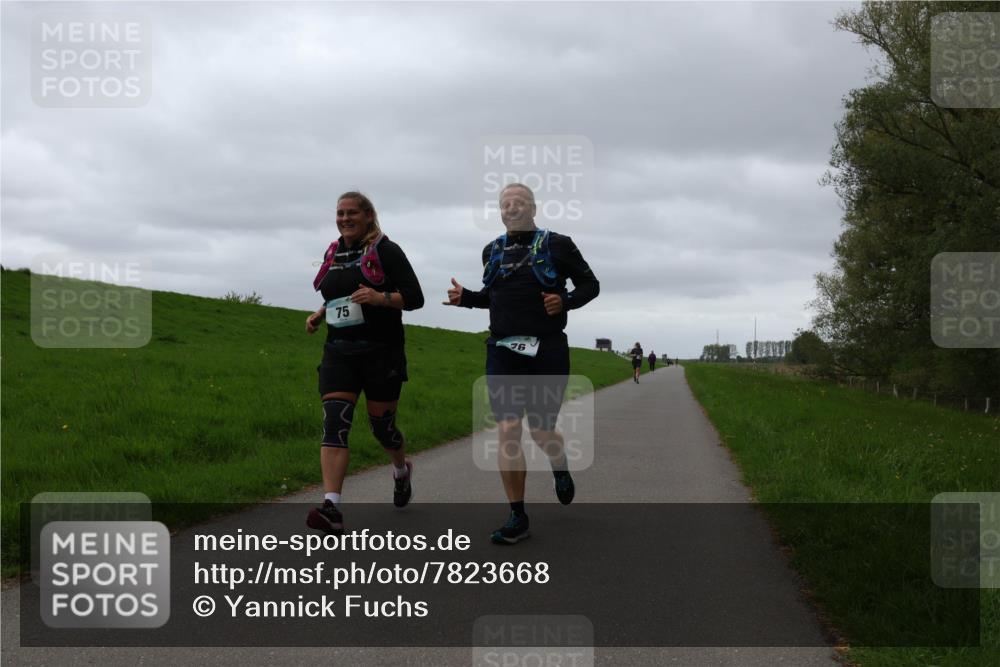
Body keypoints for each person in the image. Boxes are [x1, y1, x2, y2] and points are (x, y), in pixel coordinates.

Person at [444, 183, 599, 544]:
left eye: (518, 202)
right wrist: (466, 298)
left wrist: (566, 301)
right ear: (500, 211)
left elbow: (590, 285)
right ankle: (517, 515)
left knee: (542, 431)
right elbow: (494, 298)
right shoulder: (492, 250)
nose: (511, 208)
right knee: (508, 430)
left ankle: (559, 465)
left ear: (533, 207)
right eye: (504, 204)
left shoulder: (558, 244)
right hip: (502, 351)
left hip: (547, 351)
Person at [304, 191, 424, 536]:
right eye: (340, 213)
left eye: (351, 213)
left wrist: (380, 297)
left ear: (369, 215)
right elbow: (338, 296)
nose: (344, 219)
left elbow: (414, 298)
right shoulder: (335, 251)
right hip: (339, 350)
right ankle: (332, 507)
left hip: (381, 351)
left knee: (382, 427)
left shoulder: (386, 250)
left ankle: (401, 470)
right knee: (335, 423)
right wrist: (320, 314)